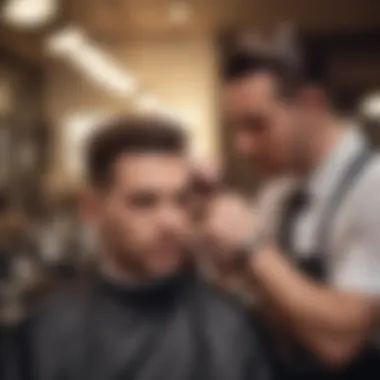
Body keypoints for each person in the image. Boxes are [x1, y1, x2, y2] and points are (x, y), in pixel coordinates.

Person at [26, 116, 271, 380]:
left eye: (180, 201)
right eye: (144, 202)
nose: (172, 223)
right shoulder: (47, 332)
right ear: (92, 209)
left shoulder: (228, 326)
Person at [204, 30, 380, 379]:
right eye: (237, 127)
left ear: (312, 105)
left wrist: (252, 247)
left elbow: (340, 342)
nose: (242, 146)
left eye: (257, 125)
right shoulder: (278, 192)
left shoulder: (373, 188)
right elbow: (265, 297)